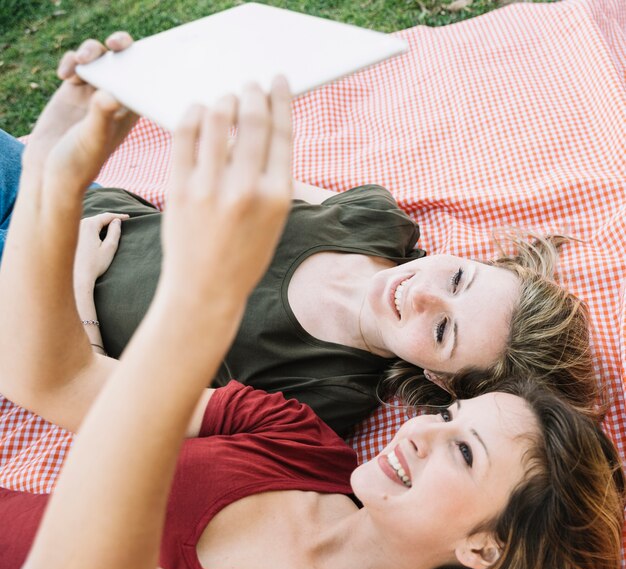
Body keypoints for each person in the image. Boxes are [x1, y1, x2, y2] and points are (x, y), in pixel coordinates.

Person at [0, 41, 623, 569]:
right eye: (449, 415)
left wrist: (202, 296)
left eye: (465, 452)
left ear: (486, 548)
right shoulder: (303, 443)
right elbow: (58, 378)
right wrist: (54, 172)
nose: (419, 430)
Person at [0, 35, 599, 435]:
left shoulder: (326, 395)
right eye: (459, 277)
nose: (421, 293)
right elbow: (263, 179)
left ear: (440, 379)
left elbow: (117, 409)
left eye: (443, 329)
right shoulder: (378, 223)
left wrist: (74, 284)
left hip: (24, 304)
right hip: (61, 190)